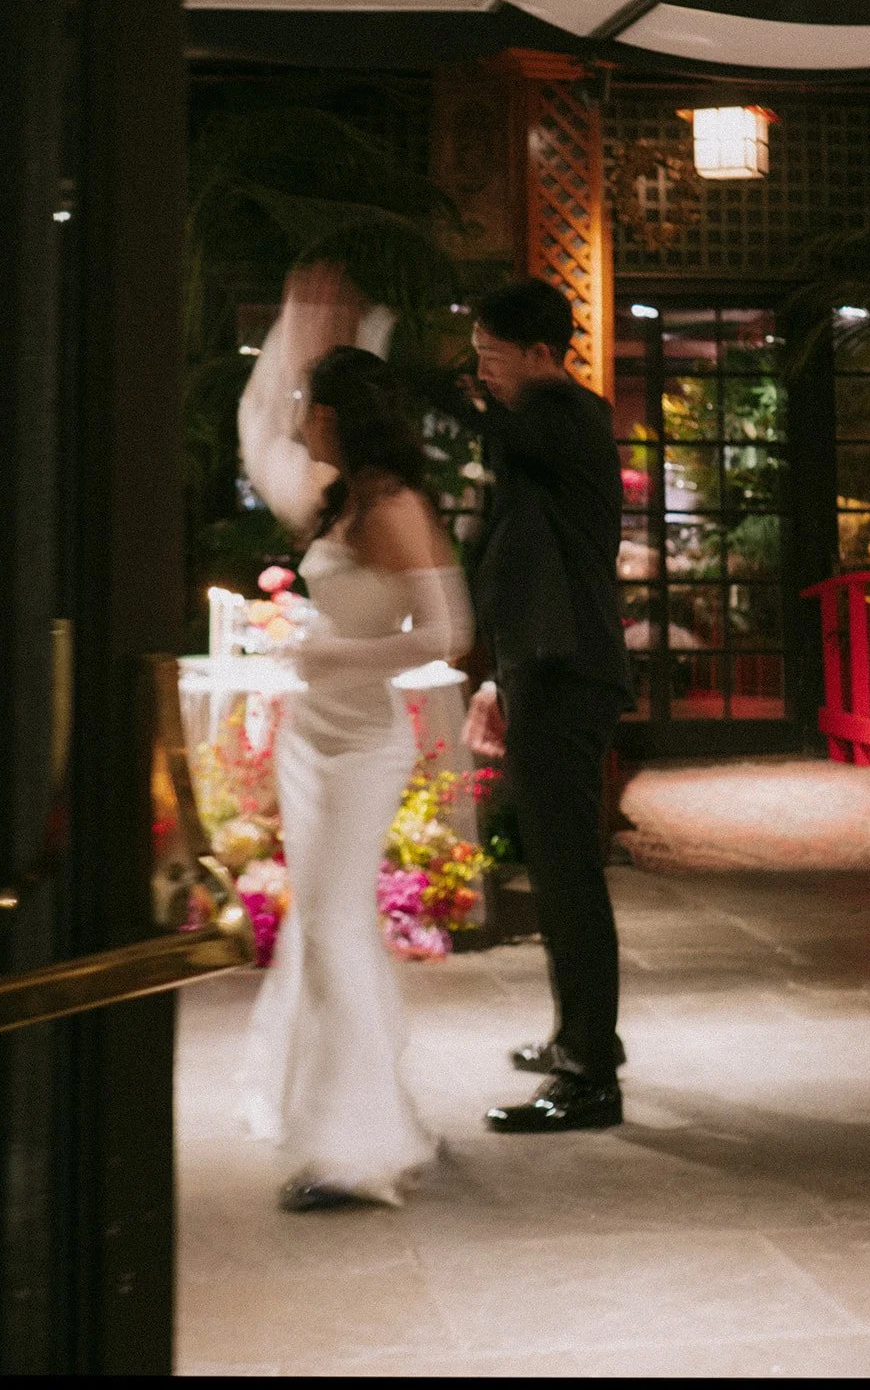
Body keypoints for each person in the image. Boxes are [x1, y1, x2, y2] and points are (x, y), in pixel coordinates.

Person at [237, 343, 474, 1211]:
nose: (299, 420)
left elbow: (447, 632)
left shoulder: (395, 507)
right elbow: (256, 436)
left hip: (359, 749)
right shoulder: (339, 498)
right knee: (324, 929)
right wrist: (293, 332)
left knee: (334, 932)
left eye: (309, 404)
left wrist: (331, 654)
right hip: (310, 740)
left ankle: (353, 1151)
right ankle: (368, 1116)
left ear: (335, 417)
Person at [444, 277, 634, 1133]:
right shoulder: (540, 433)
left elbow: (496, 431)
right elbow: (524, 562)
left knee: (566, 875)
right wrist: (498, 677)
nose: (483, 372)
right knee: (556, 870)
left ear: (540, 355)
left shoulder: (568, 417)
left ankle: (589, 1076)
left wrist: (425, 383)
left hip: (570, 673)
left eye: (491, 357)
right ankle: (579, 1039)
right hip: (546, 667)